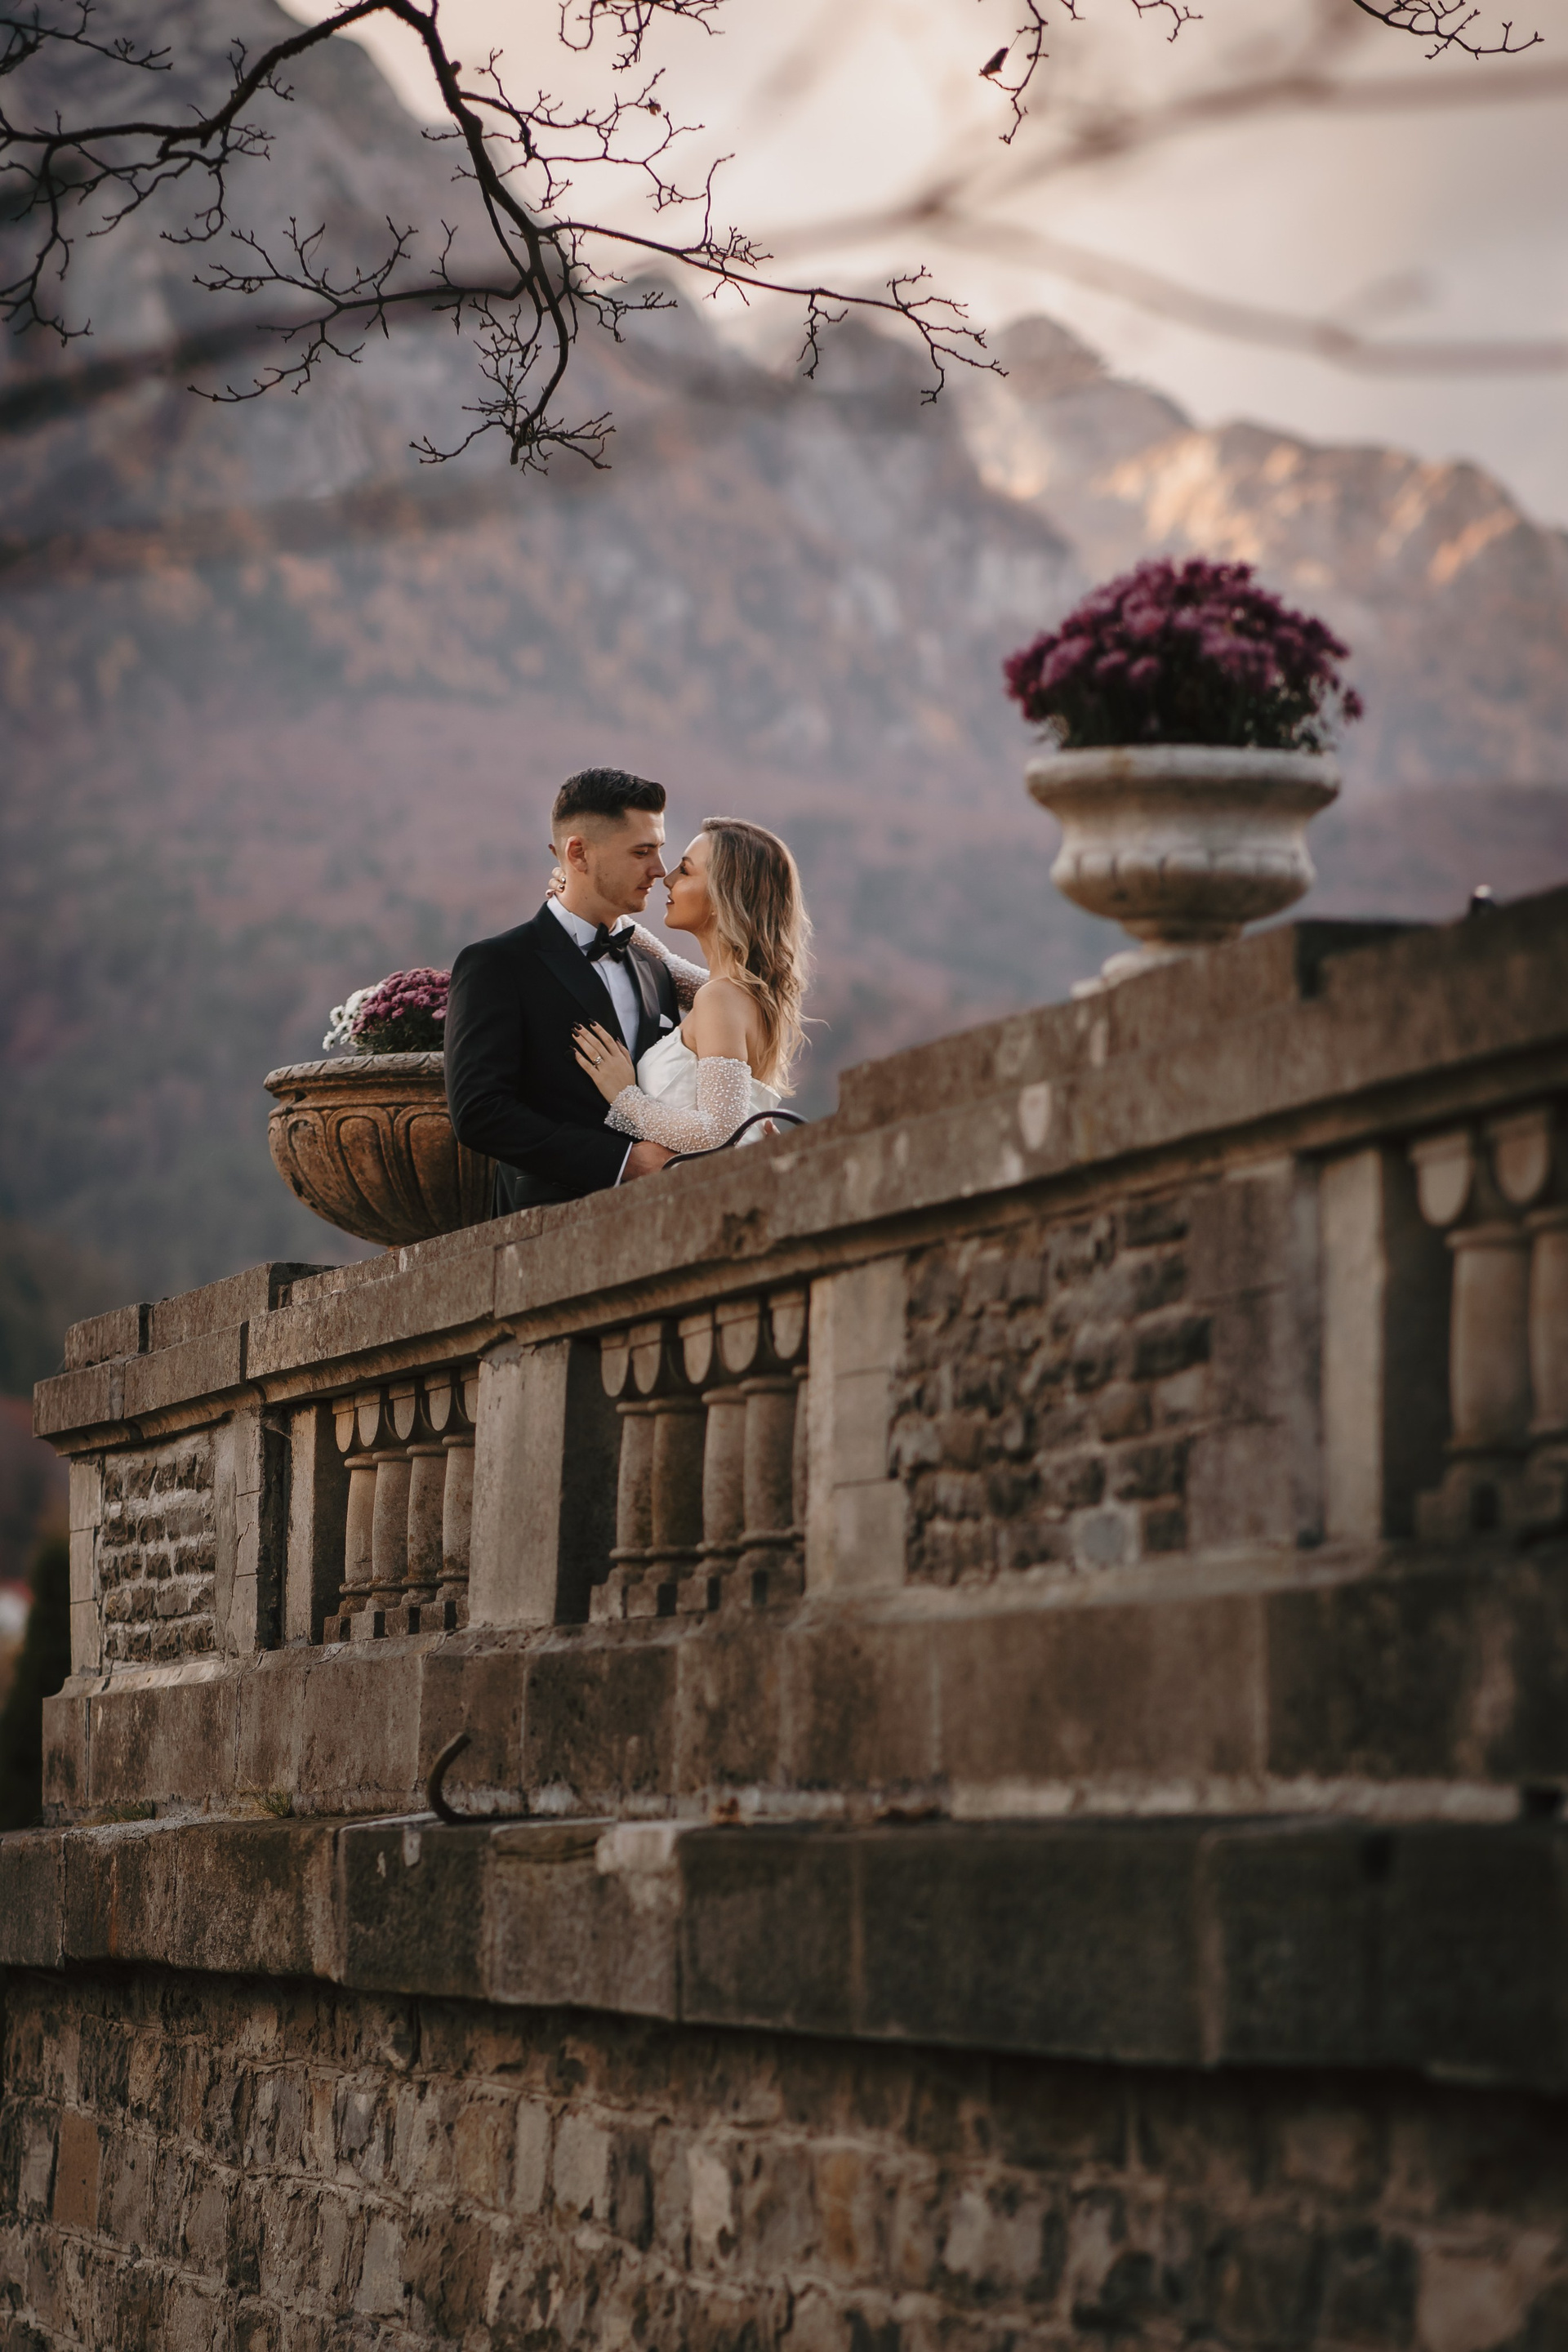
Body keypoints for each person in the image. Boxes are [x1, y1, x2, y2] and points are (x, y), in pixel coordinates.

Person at [444, 768, 681, 1211]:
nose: (660, 870)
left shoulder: (655, 973)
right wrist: (622, 1163)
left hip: (661, 1218)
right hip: (544, 1226)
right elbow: (480, 1112)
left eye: (659, 850)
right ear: (578, 853)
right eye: (641, 851)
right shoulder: (497, 964)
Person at [571, 816, 812, 1156]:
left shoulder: (722, 998)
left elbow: (717, 1134)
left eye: (684, 871)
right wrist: (588, 902)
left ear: (724, 894)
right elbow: (667, 965)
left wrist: (625, 1097)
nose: (667, 879)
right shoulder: (741, 993)